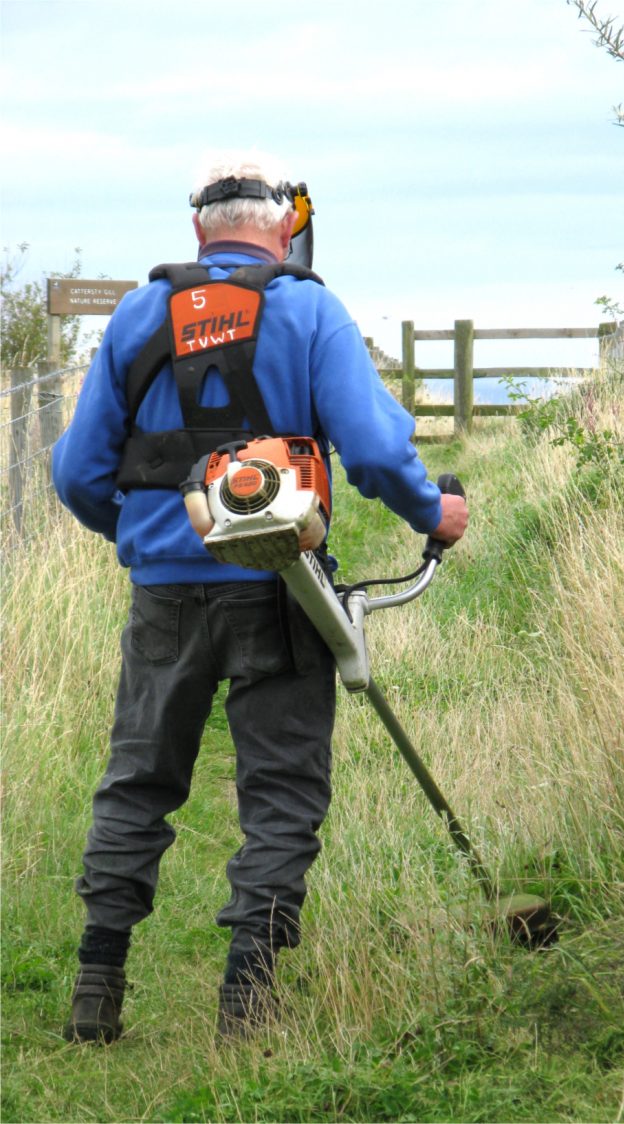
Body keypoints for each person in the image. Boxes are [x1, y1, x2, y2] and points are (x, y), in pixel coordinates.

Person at [52, 152, 468, 1043]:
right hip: (280, 587)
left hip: (164, 592)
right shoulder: (309, 308)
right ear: (283, 229)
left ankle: (96, 987)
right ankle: (248, 1004)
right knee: (279, 790)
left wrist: (147, 542)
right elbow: (376, 451)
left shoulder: (137, 313)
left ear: (198, 229)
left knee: (137, 782)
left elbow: (77, 473)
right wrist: (437, 511)